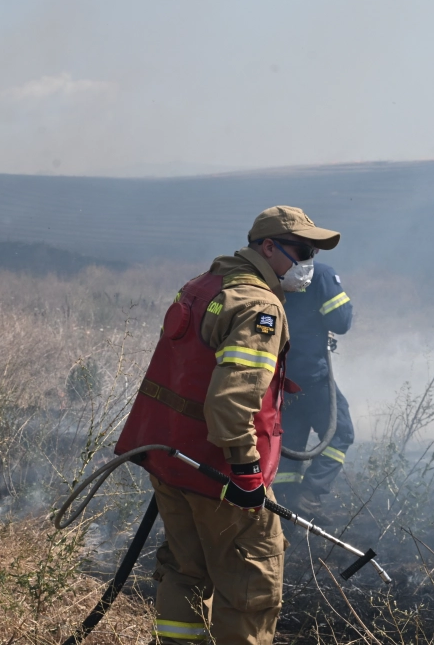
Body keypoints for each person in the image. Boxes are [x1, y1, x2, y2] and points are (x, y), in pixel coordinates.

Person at [115, 206, 339, 644]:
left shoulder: (205, 285)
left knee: (184, 572)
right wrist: (247, 473)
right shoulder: (259, 304)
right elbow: (232, 401)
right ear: (268, 247)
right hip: (220, 472)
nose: (309, 261)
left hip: (173, 459)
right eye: (302, 249)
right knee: (250, 587)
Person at [276, 262, 354, 525]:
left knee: (290, 444)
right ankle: (308, 496)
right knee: (340, 433)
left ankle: (283, 507)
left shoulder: (268, 272)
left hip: (280, 380)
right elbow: (341, 320)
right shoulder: (319, 274)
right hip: (312, 376)